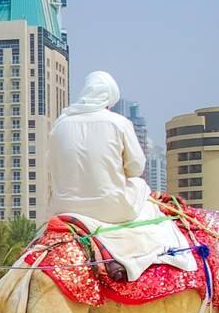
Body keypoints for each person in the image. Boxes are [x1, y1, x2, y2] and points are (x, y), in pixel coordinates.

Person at [45, 71, 192, 281]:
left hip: (64, 209)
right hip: (112, 209)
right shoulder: (118, 122)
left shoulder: (60, 124)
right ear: (109, 99)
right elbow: (135, 167)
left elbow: (52, 164)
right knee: (141, 188)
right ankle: (157, 255)